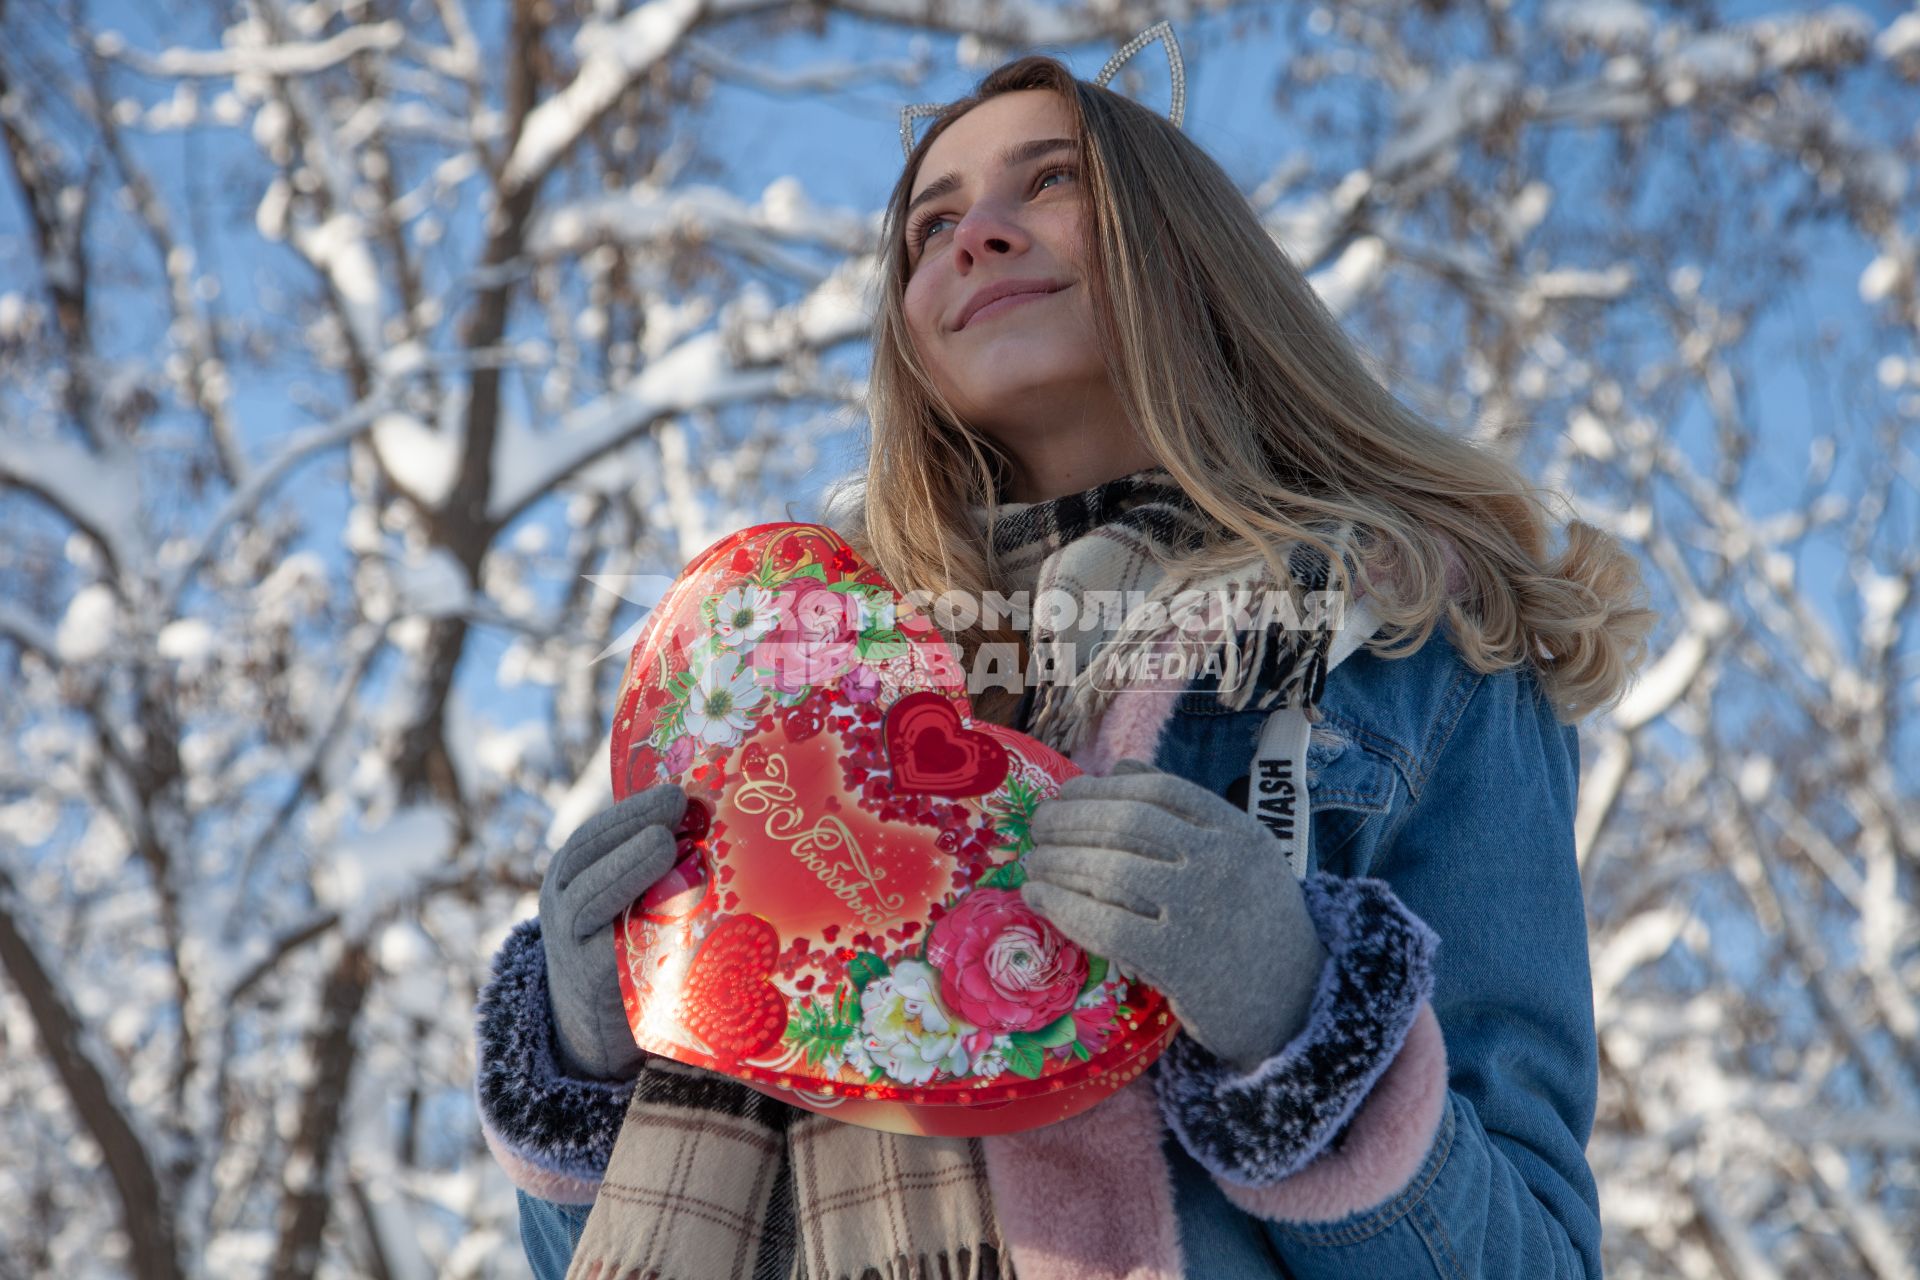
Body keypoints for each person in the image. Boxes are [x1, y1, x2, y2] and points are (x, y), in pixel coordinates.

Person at [473, 36, 1653, 1280]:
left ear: (1187, 251)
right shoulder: (796, 695)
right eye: (931, 226)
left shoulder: (1419, 648)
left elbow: (1533, 1256)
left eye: (1047, 182)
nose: (973, 234)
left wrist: (1301, 1020)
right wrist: (591, 1062)